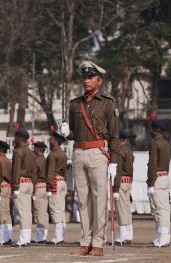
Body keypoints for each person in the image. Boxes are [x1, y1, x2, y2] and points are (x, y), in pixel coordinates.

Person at [59, 61, 119, 256]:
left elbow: (114, 135)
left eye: (90, 77)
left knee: (99, 198)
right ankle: (85, 241)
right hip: (78, 152)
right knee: (82, 200)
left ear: (99, 80)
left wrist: (114, 162)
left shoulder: (108, 103)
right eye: (84, 77)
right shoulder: (74, 104)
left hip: (98, 153)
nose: (86, 80)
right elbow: (74, 134)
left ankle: (98, 243)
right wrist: (66, 133)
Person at [147, 120, 171, 247]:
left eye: (152, 129)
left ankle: (162, 237)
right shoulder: (167, 144)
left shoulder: (155, 144)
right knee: (163, 209)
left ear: (157, 130)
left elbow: (152, 164)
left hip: (156, 178)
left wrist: (150, 183)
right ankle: (162, 236)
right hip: (164, 177)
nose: (150, 131)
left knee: (159, 210)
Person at [11, 129, 37, 247]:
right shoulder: (31, 152)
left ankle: (22, 239)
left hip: (20, 183)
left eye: (15, 137)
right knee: (27, 212)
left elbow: (16, 170)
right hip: (30, 183)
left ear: (20, 138)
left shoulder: (18, 151)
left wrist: (15, 186)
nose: (14, 139)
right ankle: (26, 238)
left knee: (22, 212)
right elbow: (35, 171)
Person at [46, 132, 69, 245]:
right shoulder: (63, 154)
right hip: (62, 181)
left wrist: (49, 187)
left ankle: (58, 236)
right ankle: (61, 234)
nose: (49, 141)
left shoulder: (52, 154)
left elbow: (50, 172)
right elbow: (65, 172)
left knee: (55, 210)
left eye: (51, 139)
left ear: (56, 141)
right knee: (61, 209)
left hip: (54, 182)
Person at [113, 131, 135, 245]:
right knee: (126, 209)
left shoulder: (119, 151)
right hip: (128, 181)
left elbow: (118, 170)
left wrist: (115, 188)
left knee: (121, 209)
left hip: (120, 182)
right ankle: (128, 235)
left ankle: (123, 236)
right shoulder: (129, 151)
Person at [0, 140, 13, 245]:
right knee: (7, 212)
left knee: (1, 212)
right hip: (8, 186)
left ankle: (2, 238)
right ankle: (8, 236)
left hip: (1, 186)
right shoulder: (8, 160)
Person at [32, 141, 49, 244]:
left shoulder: (37, 160)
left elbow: (34, 176)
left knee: (39, 212)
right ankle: (43, 234)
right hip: (45, 186)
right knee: (44, 212)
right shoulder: (45, 159)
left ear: (37, 149)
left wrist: (33, 190)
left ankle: (40, 236)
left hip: (38, 186)